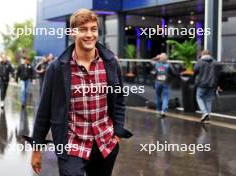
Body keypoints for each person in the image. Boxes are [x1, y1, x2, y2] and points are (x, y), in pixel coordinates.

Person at [29, 9, 132, 176]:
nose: (89, 34)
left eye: (93, 29)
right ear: (71, 32)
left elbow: (119, 99)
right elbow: (44, 111)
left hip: (104, 144)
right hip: (72, 145)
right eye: (83, 29)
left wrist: (117, 131)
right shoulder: (57, 68)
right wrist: (36, 148)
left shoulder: (110, 63)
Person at [194, 50, 221, 122]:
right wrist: (218, 84)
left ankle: (204, 113)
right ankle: (208, 117)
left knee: (199, 97)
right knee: (208, 100)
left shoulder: (200, 62)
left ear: (202, 54)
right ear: (210, 54)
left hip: (202, 84)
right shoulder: (215, 62)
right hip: (212, 84)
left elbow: (195, 70)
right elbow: (219, 74)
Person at [152, 53, 176, 117]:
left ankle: (158, 110)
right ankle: (163, 111)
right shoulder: (168, 65)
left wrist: (156, 57)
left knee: (158, 96)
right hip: (165, 83)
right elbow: (174, 73)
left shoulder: (156, 64)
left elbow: (151, 61)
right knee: (165, 97)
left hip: (157, 82)